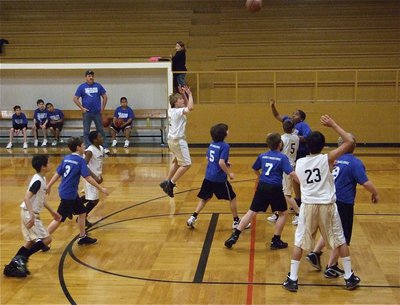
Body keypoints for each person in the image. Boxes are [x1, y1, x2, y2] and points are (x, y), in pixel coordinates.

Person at [282, 115, 361, 292]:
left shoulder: (300, 162)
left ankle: (293, 279)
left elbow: (298, 178)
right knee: (340, 241)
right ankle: (349, 277)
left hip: (308, 206)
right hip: (327, 205)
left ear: (306, 146)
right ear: (323, 146)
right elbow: (349, 142)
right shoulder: (327, 159)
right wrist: (333, 124)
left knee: (299, 243)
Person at [306, 134, 379, 277]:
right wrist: (375, 193)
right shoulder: (355, 162)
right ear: (354, 146)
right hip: (344, 203)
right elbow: (365, 182)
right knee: (342, 236)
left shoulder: (334, 159)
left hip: (329, 200)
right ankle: (331, 266)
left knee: (332, 229)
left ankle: (315, 253)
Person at [224, 133, 298, 250]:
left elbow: (254, 168)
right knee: (283, 213)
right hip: (275, 187)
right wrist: (304, 184)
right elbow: (291, 173)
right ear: (280, 144)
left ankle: (235, 235)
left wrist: (259, 177)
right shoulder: (282, 157)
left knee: (252, 212)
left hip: (263, 186)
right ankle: (276, 240)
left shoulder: (262, 155)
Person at [3, 155, 61, 277]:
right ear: (43, 167)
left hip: (26, 212)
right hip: (29, 213)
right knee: (47, 239)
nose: (50, 164)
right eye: (48, 163)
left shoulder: (42, 178)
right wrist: (32, 215)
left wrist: (52, 212)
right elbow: (27, 198)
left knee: (29, 241)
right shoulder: (38, 181)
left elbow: (41, 199)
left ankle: (10, 267)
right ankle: (22, 259)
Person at [46, 137, 108, 245]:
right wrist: (101, 188)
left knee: (82, 212)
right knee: (59, 218)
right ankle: (42, 239)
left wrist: (49, 185)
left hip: (67, 191)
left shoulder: (66, 158)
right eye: (83, 145)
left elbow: (57, 173)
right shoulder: (80, 160)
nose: (84, 146)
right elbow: (88, 178)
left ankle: (82, 237)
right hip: (68, 194)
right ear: (78, 147)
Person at [187, 123, 250, 230]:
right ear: (224, 134)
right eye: (227, 130)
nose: (229, 131)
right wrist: (229, 173)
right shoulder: (225, 146)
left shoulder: (211, 144)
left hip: (208, 177)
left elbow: (209, 158)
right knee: (233, 198)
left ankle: (193, 217)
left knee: (204, 199)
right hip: (219, 179)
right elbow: (220, 163)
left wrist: (226, 162)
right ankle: (236, 221)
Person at [269, 98, 312, 217]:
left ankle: (298, 203)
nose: (293, 115)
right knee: (289, 182)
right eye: (293, 113)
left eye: (296, 114)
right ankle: (294, 203)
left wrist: (294, 137)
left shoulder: (303, 125)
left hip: (300, 156)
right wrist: (272, 106)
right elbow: (277, 115)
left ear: (301, 118)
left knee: (291, 183)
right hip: (291, 157)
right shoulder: (290, 124)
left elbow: (308, 137)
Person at [159, 86, 193, 198]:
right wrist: (190, 94)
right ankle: (171, 183)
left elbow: (187, 106)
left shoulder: (172, 110)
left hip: (172, 140)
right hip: (178, 141)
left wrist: (184, 94)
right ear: (175, 102)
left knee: (177, 162)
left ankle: (166, 180)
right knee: (187, 164)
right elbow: (191, 108)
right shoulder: (177, 112)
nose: (182, 100)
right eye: (180, 99)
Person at [267, 119, 300, 225]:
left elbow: (277, 148)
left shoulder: (281, 138)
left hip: (285, 166)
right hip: (291, 163)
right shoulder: (296, 137)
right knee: (278, 191)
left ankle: (300, 214)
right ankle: (277, 213)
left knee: (286, 194)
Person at [73, 70, 109, 153]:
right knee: (86, 131)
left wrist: (102, 108)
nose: (91, 77)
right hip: (87, 113)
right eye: (89, 76)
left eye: (92, 76)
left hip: (97, 112)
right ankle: (88, 147)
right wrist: (82, 108)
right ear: (86, 77)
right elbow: (75, 98)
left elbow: (105, 96)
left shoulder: (98, 86)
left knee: (100, 130)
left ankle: (104, 147)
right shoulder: (82, 87)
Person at [81, 131, 105, 227]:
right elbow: (83, 165)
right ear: (95, 140)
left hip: (96, 177)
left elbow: (97, 164)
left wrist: (99, 175)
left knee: (89, 197)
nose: (102, 138)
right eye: (100, 137)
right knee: (94, 200)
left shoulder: (101, 148)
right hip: (89, 177)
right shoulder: (89, 151)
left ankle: (71, 206)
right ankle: (82, 217)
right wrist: (94, 176)